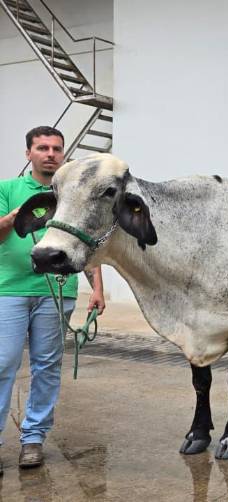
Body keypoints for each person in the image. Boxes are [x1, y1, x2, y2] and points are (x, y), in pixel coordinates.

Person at [0, 126, 106, 473]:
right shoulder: (7, 189)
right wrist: (22, 214)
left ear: (63, 154)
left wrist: (97, 288)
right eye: (42, 147)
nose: (50, 153)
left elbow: (87, 241)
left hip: (56, 292)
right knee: (4, 365)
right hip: (10, 290)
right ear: (28, 153)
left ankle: (33, 439)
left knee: (47, 367)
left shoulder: (73, 194)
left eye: (56, 148)